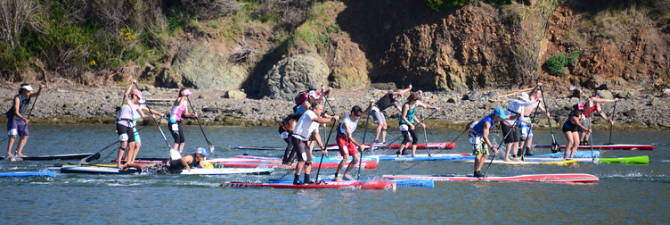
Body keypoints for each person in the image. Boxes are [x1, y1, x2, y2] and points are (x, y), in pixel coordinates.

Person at [291, 102, 338, 185]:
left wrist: (322, 147)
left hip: (304, 140)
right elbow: (318, 120)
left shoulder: (316, 120)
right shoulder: (309, 113)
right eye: (320, 109)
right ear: (314, 109)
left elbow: (316, 134)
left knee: (309, 159)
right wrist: (331, 119)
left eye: (322, 110)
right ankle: (296, 180)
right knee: (302, 159)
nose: (322, 111)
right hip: (297, 138)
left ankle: (307, 179)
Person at [116, 80, 154, 169]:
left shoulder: (136, 106)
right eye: (139, 98)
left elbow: (143, 116)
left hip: (130, 125)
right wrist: (131, 84)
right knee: (124, 144)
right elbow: (126, 94)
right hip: (121, 123)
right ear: (134, 96)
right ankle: (118, 163)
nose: (139, 100)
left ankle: (128, 163)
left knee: (132, 144)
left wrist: (150, 116)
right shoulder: (126, 102)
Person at [334, 103, 372, 181]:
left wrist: (370, 104)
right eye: (357, 116)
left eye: (359, 116)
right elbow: (350, 137)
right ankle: (336, 176)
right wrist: (359, 145)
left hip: (348, 139)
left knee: (356, 158)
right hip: (341, 138)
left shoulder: (356, 116)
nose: (358, 117)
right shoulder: (346, 122)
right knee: (346, 157)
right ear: (352, 113)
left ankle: (346, 174)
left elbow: (366, 112)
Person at [5, 83, 45, 158]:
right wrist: (24, 118)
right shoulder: (17, 98)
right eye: (28, 90)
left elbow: (37, 94)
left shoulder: (29, 95)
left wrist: (40, 89)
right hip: (14, 118)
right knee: (13, 135)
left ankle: (18, 153)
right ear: (23, 90)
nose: (29, 92)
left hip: (21, 119)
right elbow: (16, 112)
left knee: (25, 135)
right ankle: (8, 153)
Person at [396, 92, 440, 157]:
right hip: (403, 122)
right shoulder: (406, 105)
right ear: (411, 99)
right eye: (414, 99)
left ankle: (413, 154)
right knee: (407, 139)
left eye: (416, 99)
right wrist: (411, 125)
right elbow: (403, 117)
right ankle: (399, 153)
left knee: (415, 138)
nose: (415, 101)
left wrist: (434, 108)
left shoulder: (417, 103)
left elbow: (425, 106)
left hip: (411, 121)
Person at [469, 108, 506, 178]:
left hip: (481, 136)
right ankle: (475, 173)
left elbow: (508, 117)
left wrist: (517, 116)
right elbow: (485, 137)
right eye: (501, 117)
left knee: (485, 154)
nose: (501, 119)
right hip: (474, 135)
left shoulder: (495, 118)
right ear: (496, 116)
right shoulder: (487, 122)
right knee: (478, 155)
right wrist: (492, 148)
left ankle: (478, 171)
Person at [502, 92, 538, 161]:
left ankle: (514, 156)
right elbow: (526, 103)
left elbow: (521, 118)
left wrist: (528, 123)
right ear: (520, 98)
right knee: (510, 142)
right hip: (506, 123)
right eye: (524, 100)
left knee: (516, 141)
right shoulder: (516, 102)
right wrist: (536, 100)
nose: (524, 101)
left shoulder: (521, 107)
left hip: (513, 125)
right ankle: (506, 157)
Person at [126, 97, 163, 164]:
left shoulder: (140, 107)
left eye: (141, 103)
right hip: (127, 126)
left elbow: (150, 110)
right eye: (140, 103)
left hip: (133, 127)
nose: (141, 104)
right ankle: (125, 161)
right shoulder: (132, 106)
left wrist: (159, 114)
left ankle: (132, 161)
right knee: (131, 145)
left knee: (138, 144)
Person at [122, 147, 209, 174]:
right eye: (203, 155)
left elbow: (201, 164)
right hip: (168, 165)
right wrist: (187, 166)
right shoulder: (190, 157)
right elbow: (182, 159)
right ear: (197, 154)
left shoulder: (199, 159)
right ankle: (130, 164)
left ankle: (131, 168)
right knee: (148, 169)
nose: (204, 157)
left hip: (172, 170)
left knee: (148, 171)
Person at [519, 84, 550, 156]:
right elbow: (532, 91)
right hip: (522, 118)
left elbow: (542, 109)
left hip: (528, 119)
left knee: (530, 136)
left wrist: (546, 113)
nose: (539, 96)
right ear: (535, 93)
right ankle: (519, 150)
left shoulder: (537, 102)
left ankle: (527, 150)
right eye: (539, 94)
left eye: (540, 95)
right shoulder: (529, 98)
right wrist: (537, 86)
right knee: (524, 136)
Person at [168, 87, 198, 154]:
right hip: (172, 122)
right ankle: (173, 156)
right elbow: (179, 104)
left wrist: (192, 114)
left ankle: (179, 155)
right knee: (177, 140)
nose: (188, 96)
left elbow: (186, 114)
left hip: (177, 123)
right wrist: (183, 96)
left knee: (182, 140)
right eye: (187, 95)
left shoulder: (185, 102)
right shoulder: (178, 100)